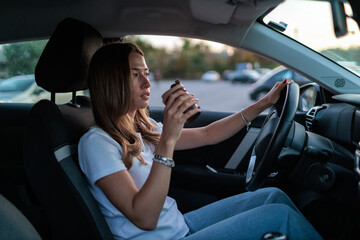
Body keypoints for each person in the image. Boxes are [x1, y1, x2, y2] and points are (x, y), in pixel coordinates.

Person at [78, 42, 322, 240]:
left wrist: (264, 103)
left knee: (272, 196)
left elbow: (209, 134)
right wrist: (168, 140)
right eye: (134, 74)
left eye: (146, 73)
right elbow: (145, 218)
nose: (147, 82)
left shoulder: (142, 128)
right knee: (281, 217)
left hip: (179, 225)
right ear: (112, 81)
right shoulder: (97, 143)